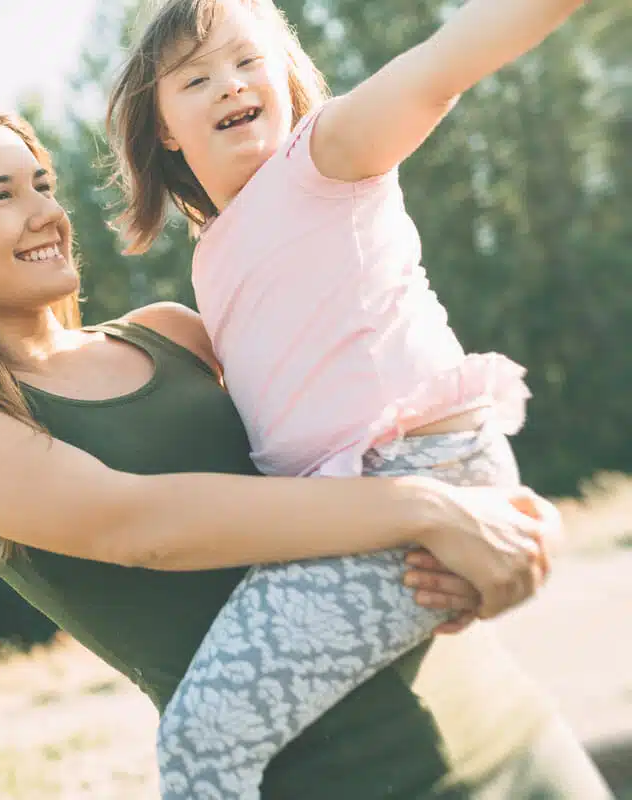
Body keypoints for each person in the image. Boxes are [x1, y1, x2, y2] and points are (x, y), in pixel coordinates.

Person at [0, 101, 607, 798]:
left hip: (511, 738)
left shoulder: (175, 332)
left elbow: (374, 424)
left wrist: (504, 515)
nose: (44, 211)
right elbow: (138, 527)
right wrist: (426, 509)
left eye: (42, 184)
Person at [105, 0, 609, 796]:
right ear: (164, 126)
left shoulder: (325, 156)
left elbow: (443, 67)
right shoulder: (214, 255)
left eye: (247, 62)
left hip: (421, 471)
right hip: (361, 503)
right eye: (195, 78)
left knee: (203, 740)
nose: (228, 85)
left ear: (286, 75)